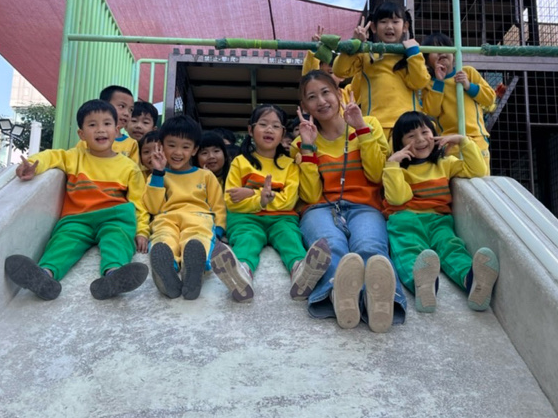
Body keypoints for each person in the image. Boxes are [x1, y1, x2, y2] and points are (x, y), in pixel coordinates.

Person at [293, 70, 405, 333]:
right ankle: (338, 295)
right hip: (320, 208)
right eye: (312, 97)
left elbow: (376, 175)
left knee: (369, 246)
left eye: (326, 92)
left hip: (365, 206)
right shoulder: (302, 140)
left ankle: (378, 300)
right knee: (331, 246)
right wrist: (308, 148)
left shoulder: (369, 124)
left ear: (339, 93)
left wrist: (361, 128)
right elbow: (310, 194)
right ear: (304, 106)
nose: (321, 101)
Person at [3, 99, 150, 301]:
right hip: (77, 218)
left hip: (114, 217)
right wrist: (33, 166)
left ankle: (114, 275)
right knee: (64, 241)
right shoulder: (73, 157)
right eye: (92, 125)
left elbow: (138, 203)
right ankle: (45, 275)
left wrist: (142, 231)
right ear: (81, 134)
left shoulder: (129, 167)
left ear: (117, 130)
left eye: (107, 124)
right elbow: (50, 156)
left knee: (118, 239)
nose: (100, 130)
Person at [212, 105, 332, 303]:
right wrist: (261, 199)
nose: (269, 130)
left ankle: (300, 270)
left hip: (281, 219)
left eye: (276, 126)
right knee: (247, 239)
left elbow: (289, 200)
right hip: (246, 219)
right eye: (263, 124)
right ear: (250, 130)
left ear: (283, 133)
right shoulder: (240, 162)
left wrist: (252, 193)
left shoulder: (290, 165)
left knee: (290, 237)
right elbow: (231, 202)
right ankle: (241, 273)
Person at [383, 111, 497, 313]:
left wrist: (463, 141)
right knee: (408, 249)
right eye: (411, 136)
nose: (420, 139)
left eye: (425, 132)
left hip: (438, 220)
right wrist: (392, 164)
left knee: (451, 247)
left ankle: (472, 280)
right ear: (401, 144)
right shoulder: (398, 170)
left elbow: (478, 170)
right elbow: (398, 198)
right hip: (405, 218)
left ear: (434, 135)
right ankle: (422, 285)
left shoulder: (445, 163)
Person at [143, 115, 227, 300]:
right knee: (163, 239)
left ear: (195, 149)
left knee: (197, 239)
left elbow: (218, 206)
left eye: (185, 147)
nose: (178, 152)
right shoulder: (157, 175)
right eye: (171, 145)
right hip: (166, 217)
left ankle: (193, 271)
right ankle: (167, 272)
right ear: (160, 146)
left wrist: (219, 229)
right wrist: (158, 173)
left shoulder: (205, 176)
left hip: (199, 217)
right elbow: (153, 207)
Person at [332, 1, 430, 138]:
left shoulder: (410, 56)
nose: (389, 26)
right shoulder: (366, 53)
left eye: (395, 22)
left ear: (405, 26)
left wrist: (414, 54)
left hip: (407, 126)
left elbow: (419, 82)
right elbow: (340, 70)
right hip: (374, 125)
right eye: (383, 22)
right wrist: (355, 44)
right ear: (373, 27)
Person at [421, 32, 497, 173]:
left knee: (480, 176)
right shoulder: (429, 83)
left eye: (445, 48)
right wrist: (439, 82)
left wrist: (468, 86)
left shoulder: (468, 72)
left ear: (454, 54)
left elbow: (490, 98)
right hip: (449, 141)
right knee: (456, 179)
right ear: (427, 61)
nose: (441, 52)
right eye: (435, 50)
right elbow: (432, 111)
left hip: (475, 137)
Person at [77, 85, 139, 161]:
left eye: (131, 110)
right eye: (121, 106)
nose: (127, 113)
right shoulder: (87, 140)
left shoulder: (132, 144)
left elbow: (133, 167)